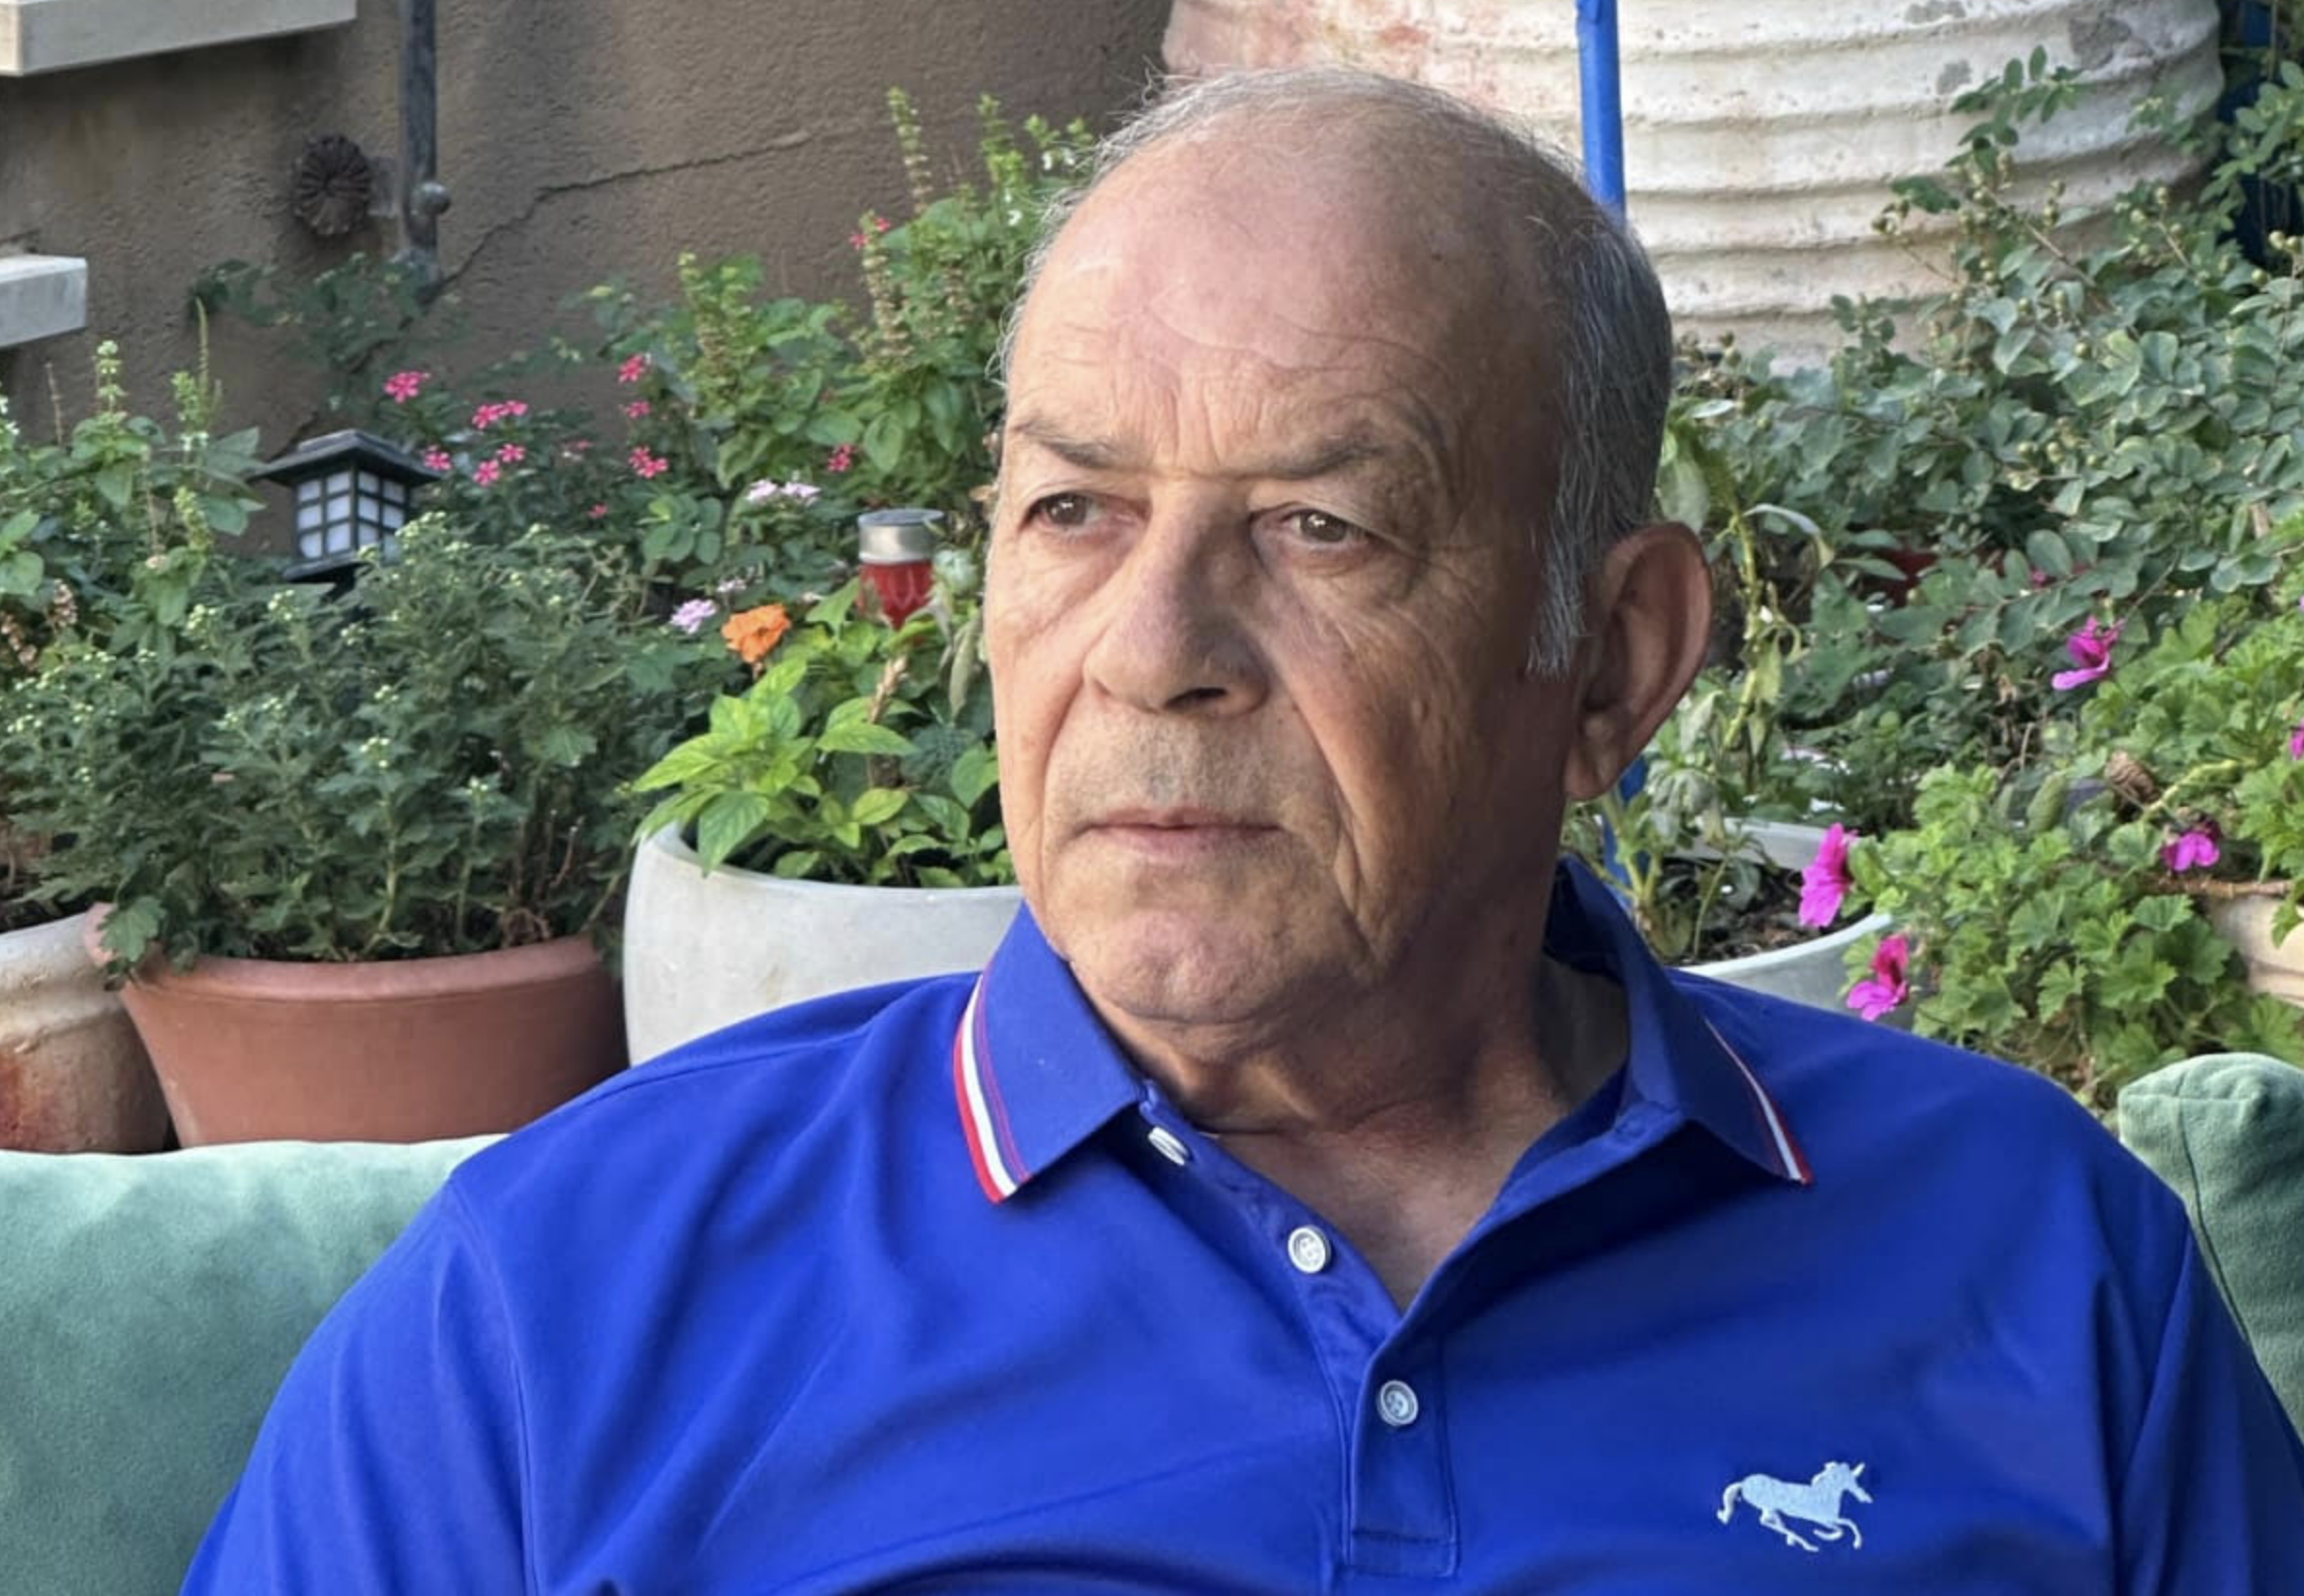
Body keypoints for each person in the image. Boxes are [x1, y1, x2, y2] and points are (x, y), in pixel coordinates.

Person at [185, 68, 2304, 1592]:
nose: (1152, 651)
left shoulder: (2037, 1270)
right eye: (1073, 511)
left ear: (1612, 661)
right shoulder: (555, 1314)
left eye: (1318, 525)